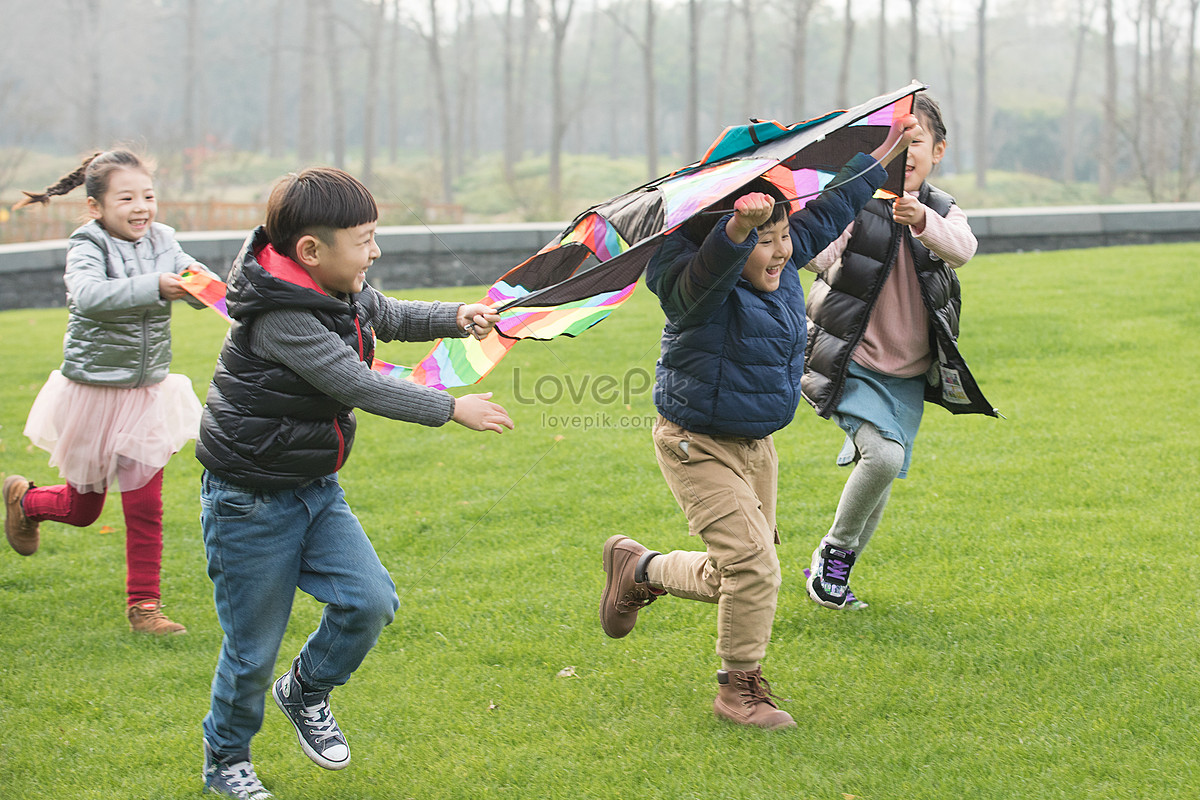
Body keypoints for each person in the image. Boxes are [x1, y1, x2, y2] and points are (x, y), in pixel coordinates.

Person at [196, 166, 513, 799]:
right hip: (249, 503)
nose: (375, 251)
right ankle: (225, 759)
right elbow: (355, 383)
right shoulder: (281, 317)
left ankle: (306, 689)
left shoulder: (336, 289)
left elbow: (387, 314)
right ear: (311, 250)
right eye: (364, 239)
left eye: (375, 236)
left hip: (315, 488)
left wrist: (458, 315)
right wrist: (453, 407)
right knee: (251, 652)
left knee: (370, 602)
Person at [598, 114, 920, 730]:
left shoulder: (781, 253)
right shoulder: (688, 270)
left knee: (736, 575)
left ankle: (638, 569)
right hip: (695, 444)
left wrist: (885, 153)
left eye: (781, 235)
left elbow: (835, 204)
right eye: (763, 239)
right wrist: (737, 232)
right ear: (726, 228)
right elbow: (700, 284)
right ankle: (738, 690)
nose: (780, 251)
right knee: (756, 567)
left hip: (755, 447)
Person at [4, 149, 217, 635]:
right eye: (127, 197)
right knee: (84, 510)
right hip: (93, 394)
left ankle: (145, 607)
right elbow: (87, 295)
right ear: (97, 206)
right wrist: (155, 287)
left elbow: (196, 280)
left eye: (148, 195)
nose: (142, 206)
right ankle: (25, 500)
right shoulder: (88, 243)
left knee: (145, 503)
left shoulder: (165, 240)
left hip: (147, 393)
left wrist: (214, 293)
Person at [802, 94, 996, 612]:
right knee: (885, 458)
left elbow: (964, 248)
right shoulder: (857, 200)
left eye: (917, 144)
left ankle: (834, 582)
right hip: (851, 360)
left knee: (883, 470)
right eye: (896, 143)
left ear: (938, 150)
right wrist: (813, 218)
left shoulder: (942, 208)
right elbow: (819, 256)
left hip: (908, 374)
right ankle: (832, 555)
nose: (906, 154)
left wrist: (921, 220)